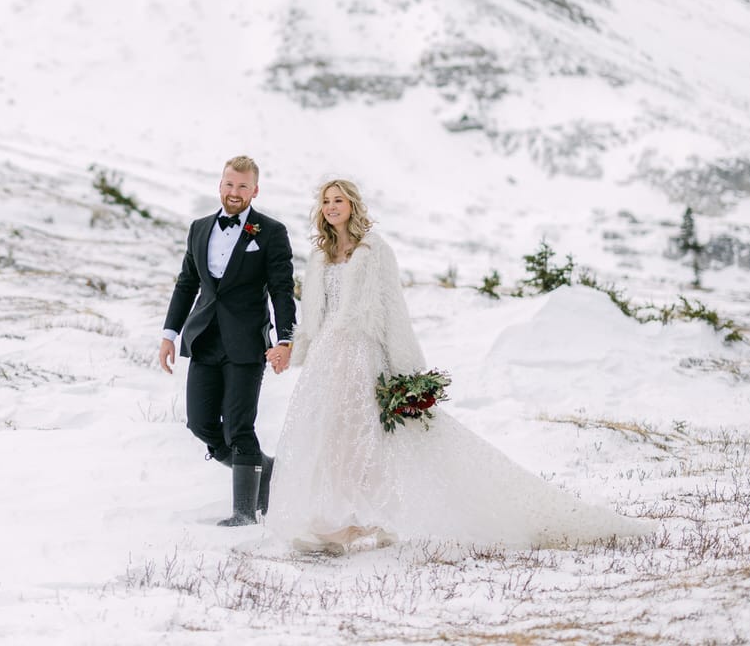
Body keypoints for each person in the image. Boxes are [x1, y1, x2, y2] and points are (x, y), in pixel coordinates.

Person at [267, 178, 651, 553]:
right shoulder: (319, 256)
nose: (332, 207)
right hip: (327, 359)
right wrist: (298, 347)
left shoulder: (375, 250)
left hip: (363, 355)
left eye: (339, 200)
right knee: (332, 435)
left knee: (371, 437)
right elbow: (314, 311)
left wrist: (408, 370)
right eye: (327, 201)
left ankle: (377, 516)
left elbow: (393, 309)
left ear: (352, 205)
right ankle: (332, 521)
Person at [159, 156, 296, 526]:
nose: (234, 193)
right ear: (220, 185)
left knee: (239, 427)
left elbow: (282, 290)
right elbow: (187, 283)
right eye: (229, 185)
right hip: (204, 339)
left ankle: (244, 513)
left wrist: (285, 340)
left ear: (255, 190)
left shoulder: (270, 231)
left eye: (242, 187)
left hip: (247, 343)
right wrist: (170, 334)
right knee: (200, 423)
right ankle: (263, 470)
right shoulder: (199, 228)